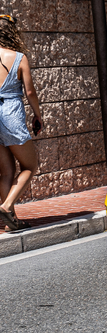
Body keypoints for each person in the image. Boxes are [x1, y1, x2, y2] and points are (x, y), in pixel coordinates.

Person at [0, 14, 43, 231]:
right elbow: (30, 91)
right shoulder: (19, 58)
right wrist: (38, 115)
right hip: (10, 117)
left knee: (6, 171)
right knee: (30, 166)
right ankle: (7, 206)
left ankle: (11, 223)